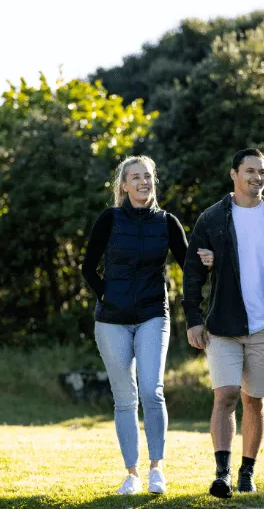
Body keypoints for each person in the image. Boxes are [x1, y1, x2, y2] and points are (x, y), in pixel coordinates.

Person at [182, 148, 264, 498]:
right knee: (226, 395)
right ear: (234, 174)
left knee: (255, 400)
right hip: (222, 325)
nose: (257, 177)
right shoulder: (212, 219)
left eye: (263, 172)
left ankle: (246, 472)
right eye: (250, 170)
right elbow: (192, 273)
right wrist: (193, 319)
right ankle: (221, 474)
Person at [81, 155, 197, 495]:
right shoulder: (110, 219)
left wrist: (206, 259)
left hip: (151, 315)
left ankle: (156, 469)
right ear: (124, 185)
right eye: (136, 177)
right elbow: (89, 267)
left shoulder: (167, 222)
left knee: (151, 389)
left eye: (148, 176)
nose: (143, 182)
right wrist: (108, 297)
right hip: (112, 321)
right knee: (125, 397)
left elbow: (189, 268)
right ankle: (131, 474)